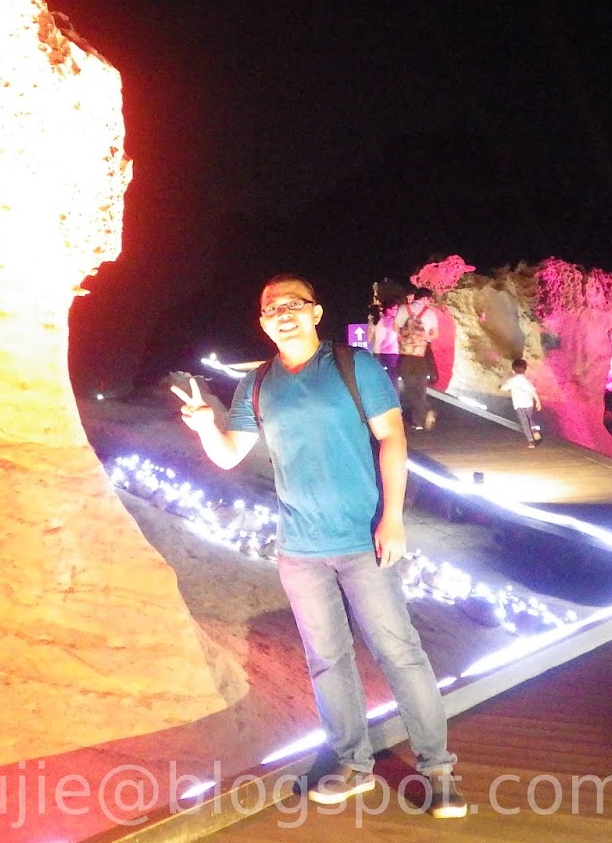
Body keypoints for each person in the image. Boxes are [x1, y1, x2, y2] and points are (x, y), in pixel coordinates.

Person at [174, 275, 465, 818]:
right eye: (271, 308)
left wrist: (393, 518)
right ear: (262, 323)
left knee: (400, 653)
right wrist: (204, 426)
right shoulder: (256, 385)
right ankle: (354, 764)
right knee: (328, 661)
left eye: (294, 304)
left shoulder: (354, 367)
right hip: (300, 549)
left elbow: (392, 438)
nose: (282, 314)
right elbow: (229, 455)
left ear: (316, 312)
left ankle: (439, 770)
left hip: (362, 538)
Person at [394, 288, 441, 432]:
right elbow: (435, 335)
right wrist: (424, 337)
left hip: (405, 356)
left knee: (408, 388)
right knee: (420, 389)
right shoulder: (430, 313)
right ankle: (419, 421)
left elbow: (395, 328)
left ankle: (411, 414)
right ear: (426, 299)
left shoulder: (403, 309)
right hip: (421, 356)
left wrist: (407, 337)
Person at [500, 358, 542, 446]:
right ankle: (534, 429)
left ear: (513, 371)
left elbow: (504, 388)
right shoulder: (527, 380)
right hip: (529, 404)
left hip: (519, 405)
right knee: (530, 419)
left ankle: (531, 441)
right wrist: (538, 402)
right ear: (525, 370)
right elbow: (533, 392)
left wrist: (500, 387)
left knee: (524, 422)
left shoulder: (512, 381)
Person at [368, 288, 403, 385]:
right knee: (392, 380)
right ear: (388, 309)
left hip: (378, 353)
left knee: (378, 379)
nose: (396, 311)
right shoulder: (397, 322)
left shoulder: (375, 321)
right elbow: (400, 337)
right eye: (395, 309)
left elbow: (369, 339)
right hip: (392, 354)